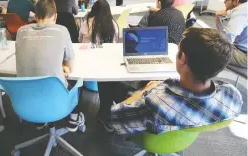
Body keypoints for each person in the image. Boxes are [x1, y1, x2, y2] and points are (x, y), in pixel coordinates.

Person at [101, 28, 242, 134]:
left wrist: (146, 91)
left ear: (183, 59)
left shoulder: (156, 103)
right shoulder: (233, 95)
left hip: (149, 132)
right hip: (184, 132)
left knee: (112, 85)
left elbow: (117, 119)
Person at [15, 0, 85, 132]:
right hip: (56, 99)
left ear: (35, 16)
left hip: (27, 100)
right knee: (77, 80)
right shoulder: (62, 30)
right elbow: (70, 67)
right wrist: (61, 65)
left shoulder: (21, 31)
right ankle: (73, 119)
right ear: (56, 16)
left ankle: (40, 120)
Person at [215, 0, 247, 69]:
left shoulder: (240, 14)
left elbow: (227, 38)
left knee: (207, 47)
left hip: (244, 55)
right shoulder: (244, 8)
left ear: (236, 1)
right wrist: (217, 17)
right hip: (242, 48)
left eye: (226, 0)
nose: (224, 2)